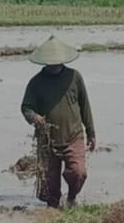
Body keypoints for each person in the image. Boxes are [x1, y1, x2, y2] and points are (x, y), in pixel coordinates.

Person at [20, 35, 96, 208]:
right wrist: (34, 117)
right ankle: (53, 209)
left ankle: (71, 197)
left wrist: (91, 132)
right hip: (48, 140)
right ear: (45, 62)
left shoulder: (74, 77)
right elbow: (26, 107)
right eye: (51, 63)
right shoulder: (36, 83)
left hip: (73, 135)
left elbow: (85, 105)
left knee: (78, 172)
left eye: (57, 62)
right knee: (49, 186)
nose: (54, 65)